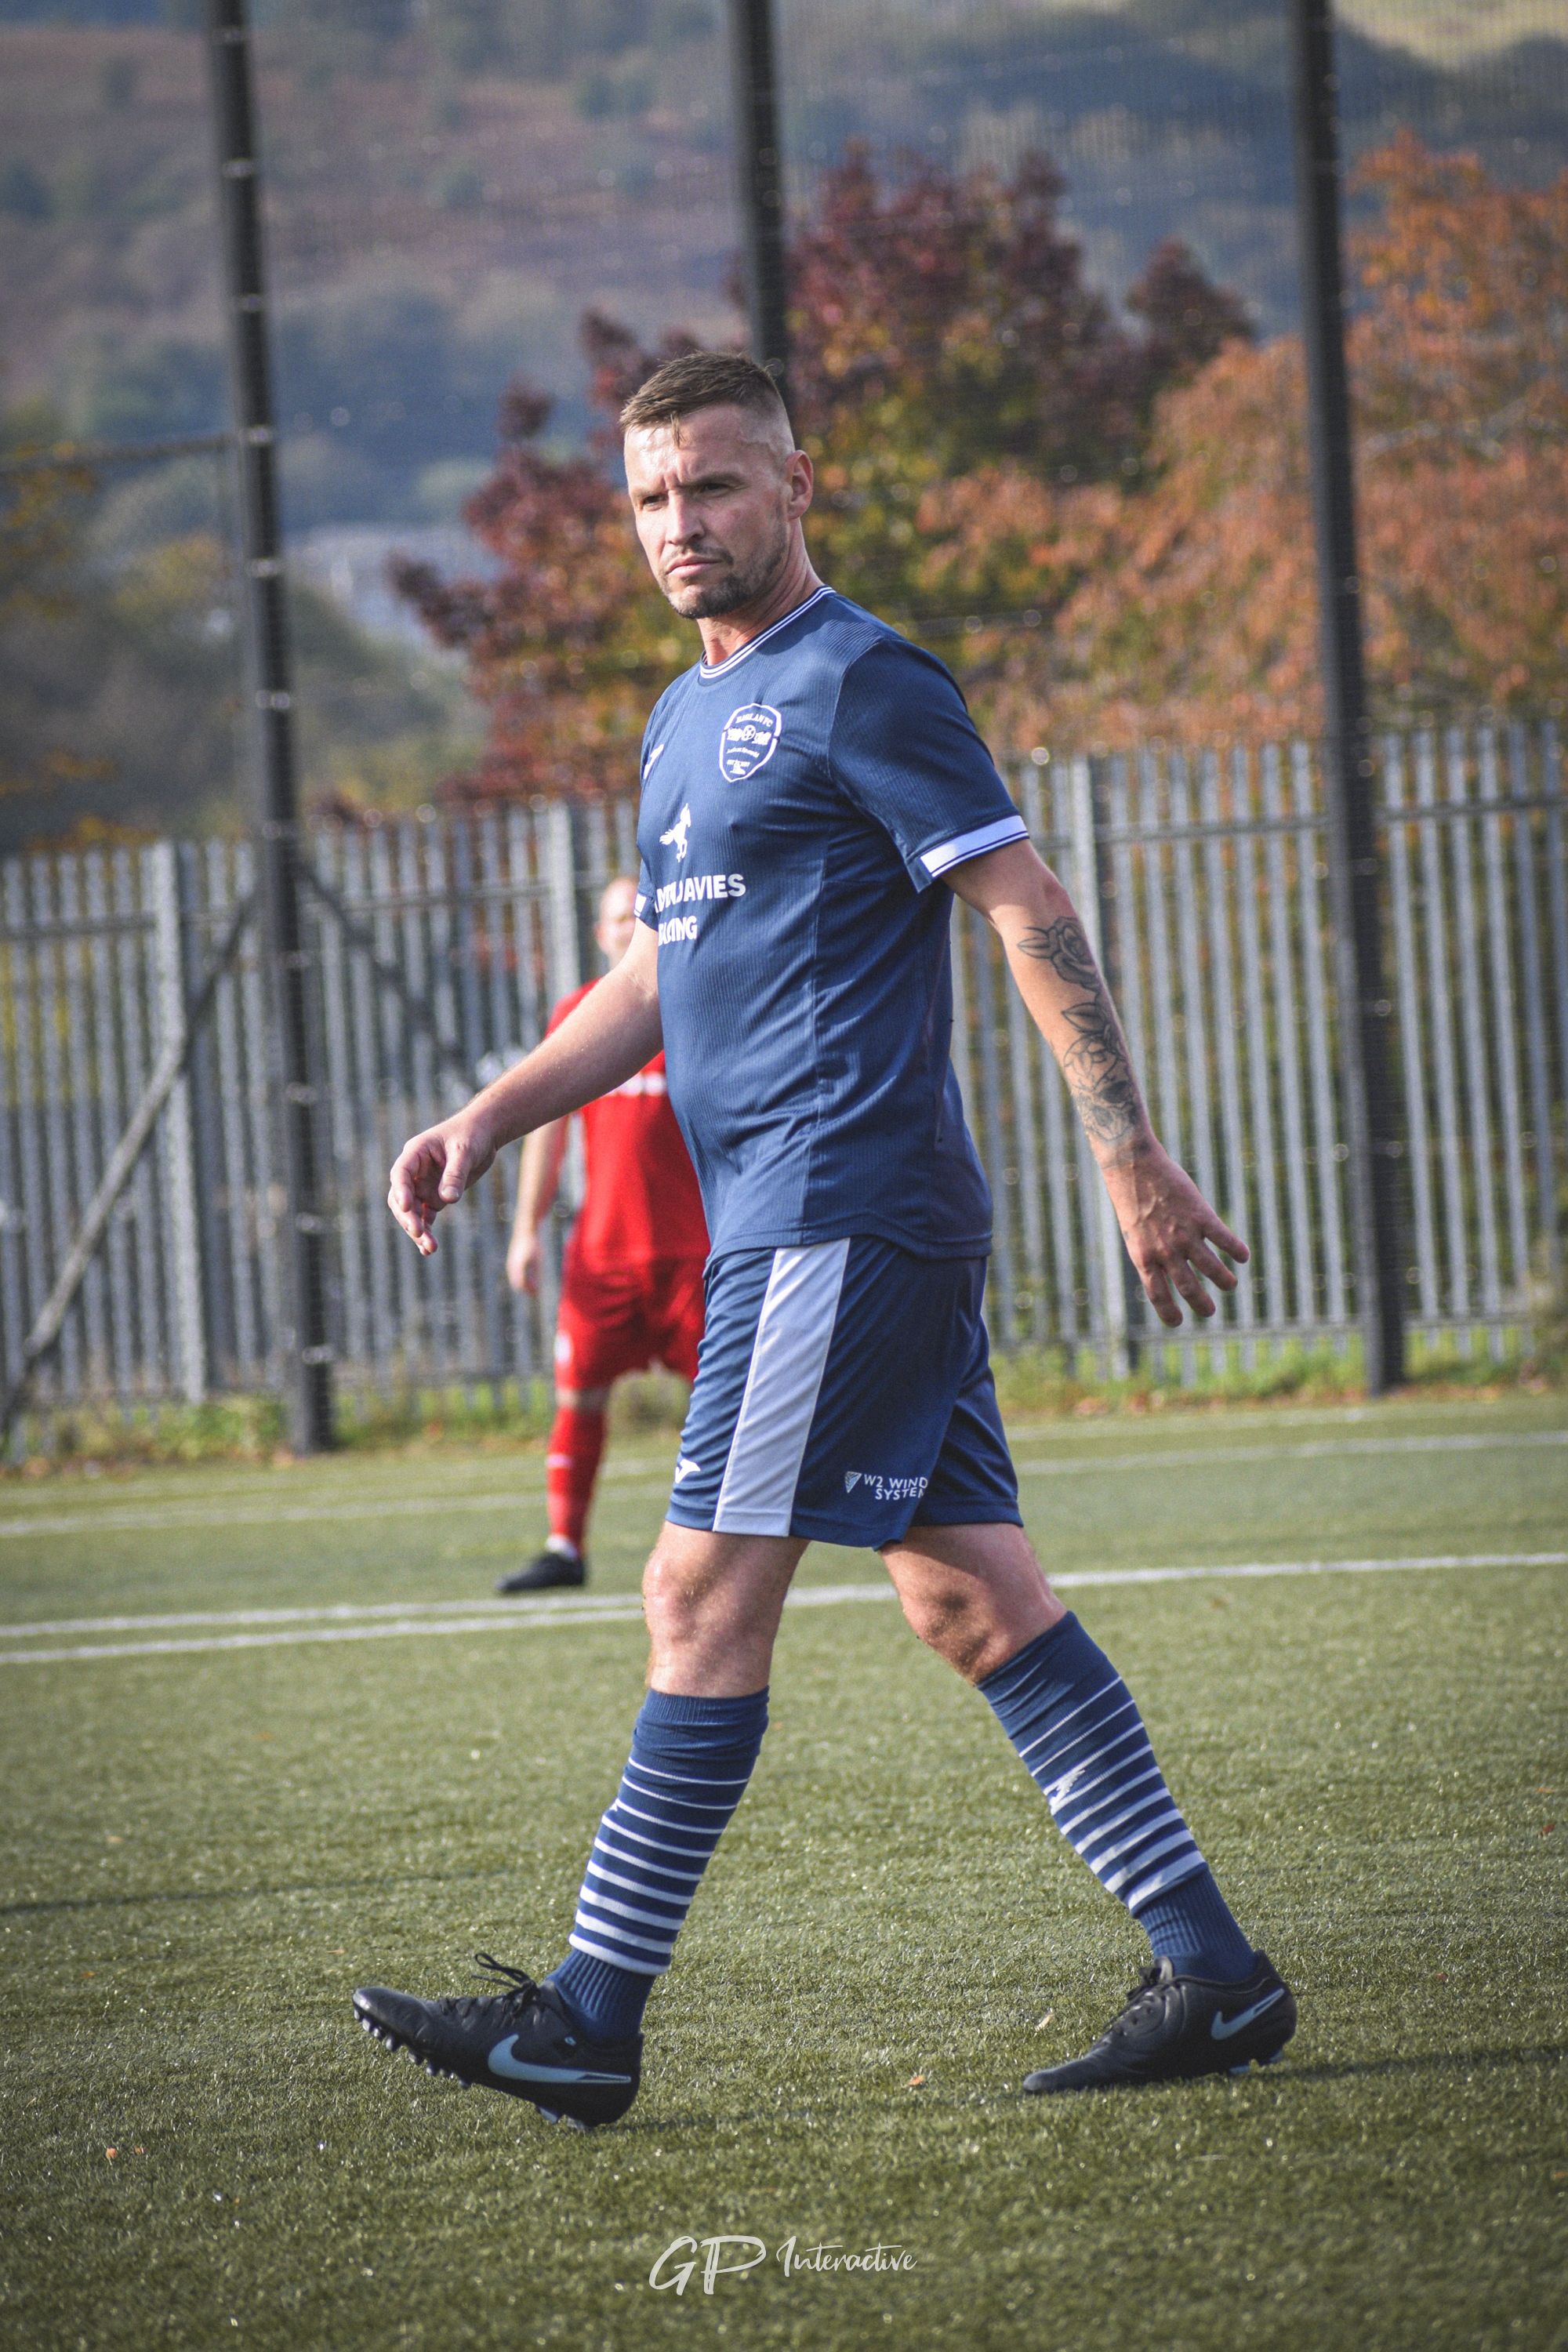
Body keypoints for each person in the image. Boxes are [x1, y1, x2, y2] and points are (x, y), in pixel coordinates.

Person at [355, 351, 1296, 2129]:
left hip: (836, 1214)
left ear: (797, 483)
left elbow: (1022, 900)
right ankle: (1216, 1974)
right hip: (825, 1230)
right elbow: (660, 973)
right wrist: (490, 1115)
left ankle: (586, 2020)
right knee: (970, 1600)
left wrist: (1130, 1156)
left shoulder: (864, 678)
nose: (679, 523)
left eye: (713, 484)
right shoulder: (678, 719)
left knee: (694, 1591)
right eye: (651, 496)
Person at [499, 874, 709, 1595]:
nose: (628, 927)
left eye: (638, 915)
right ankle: (565, 1547)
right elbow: (546, 1131)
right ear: (600, 933)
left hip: (697, 1256)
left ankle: (715, 1548)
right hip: (604, 1255)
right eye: (618, 917)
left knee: (724, 1403)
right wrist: (525, 1231)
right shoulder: (580, 1015)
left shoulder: (700, 1006)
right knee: (579, 1395)